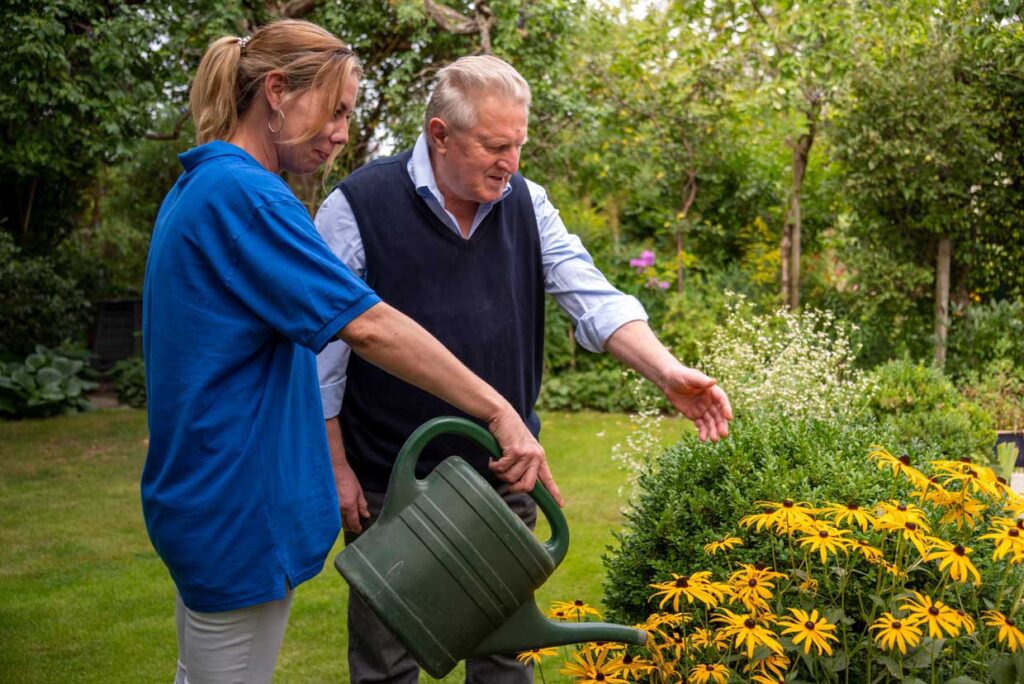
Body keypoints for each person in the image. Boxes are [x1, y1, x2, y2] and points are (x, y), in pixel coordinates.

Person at [142, 22, 560, 684]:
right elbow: (369, 326)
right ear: (277, 92)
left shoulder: (204, 185)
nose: (341, 132)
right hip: (236, 504)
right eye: (335, 110)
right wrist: (498, 410)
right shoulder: (243, 195)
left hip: (208, 497)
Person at [316, 55, 734, 683]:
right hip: (392, 485)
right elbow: (321, 352)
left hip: (502, 472)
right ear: (440, 135)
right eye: (494, 144)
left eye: (517, 144)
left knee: (507, 659)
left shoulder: (527, 203)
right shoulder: (356, 207)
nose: (508, 161)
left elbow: (593, 298)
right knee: (386, 662)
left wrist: (667, 371)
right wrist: (336, 462)